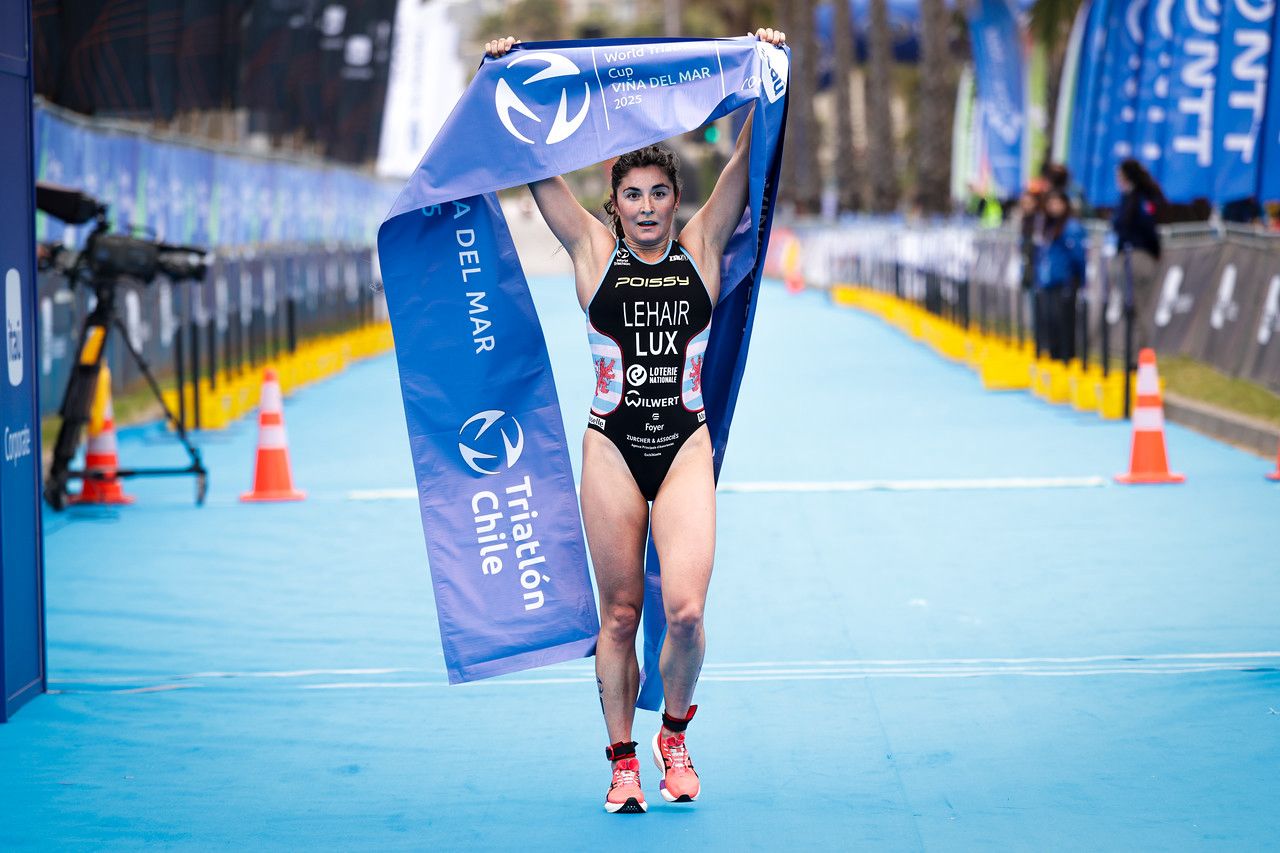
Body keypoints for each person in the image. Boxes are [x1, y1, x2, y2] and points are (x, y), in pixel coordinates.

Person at [485, 27, 787, 815]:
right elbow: (533, 168)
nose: (647, 207)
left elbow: (748, 164)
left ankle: (675, 734)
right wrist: (502, 75)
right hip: (613, 447)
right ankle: (622, 760)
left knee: (684, 612)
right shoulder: (590, 251)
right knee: (619, 614)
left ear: (675, 202)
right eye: (632, 195)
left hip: (684, 445)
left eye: (659, 194)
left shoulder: (703, 247)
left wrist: (766, 70)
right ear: (613, 204)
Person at [1111, 159, 1165, 354]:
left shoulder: (1140, 198)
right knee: (1131, 309)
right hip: (1127, 256)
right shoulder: (1127, 198)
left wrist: (1153, 251)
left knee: (1138, 308)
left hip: (1138, 257)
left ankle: (1140, 357)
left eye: (1120, 176)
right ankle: (1133, 354)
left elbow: (1148, 227)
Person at [1034, 190, 1087, 363]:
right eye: (1050, 203)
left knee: (1064, 322)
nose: (1053, 207)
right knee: (1050, 322)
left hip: (1065, 281)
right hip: (1049, 280)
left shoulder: (1071, 227)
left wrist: (1079, 278)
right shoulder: (1048, 226)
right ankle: (1054, 357)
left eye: (1057, 203)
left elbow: (1078, 255)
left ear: (1065, 205)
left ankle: (1066, 359)